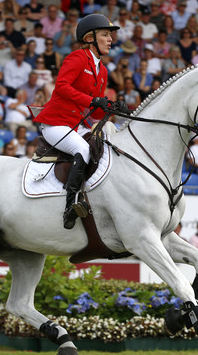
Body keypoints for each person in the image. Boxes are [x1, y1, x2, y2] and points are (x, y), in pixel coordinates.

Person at [33, 14, 127, 229]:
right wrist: (93, 100)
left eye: (110, 35)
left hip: (76, 124)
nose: (110, 39)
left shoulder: (102, 70)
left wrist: (112, 106)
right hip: (56, 123)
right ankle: (71, 203)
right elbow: (62, 88)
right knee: (83, 150)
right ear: (89, 38)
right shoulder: (77, 58)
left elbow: (94, 109)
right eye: (105, 35)